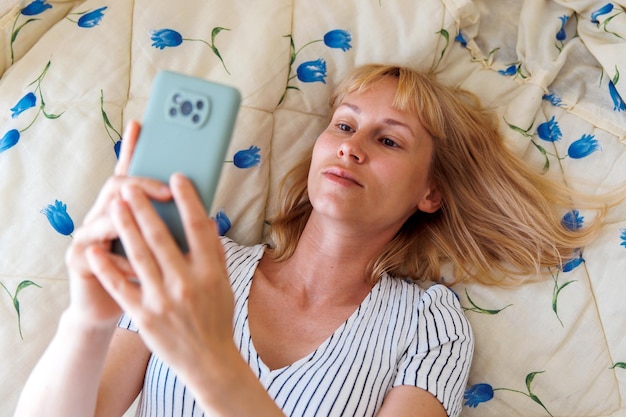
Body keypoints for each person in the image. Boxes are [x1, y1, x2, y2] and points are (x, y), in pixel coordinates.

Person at [14, 65, 607, 417]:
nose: (351, 146)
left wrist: (212, 363)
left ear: (431, 192)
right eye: (344, 125)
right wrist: (88, 319)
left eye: (389, 140)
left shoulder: (430, 324)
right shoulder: (204, 263)